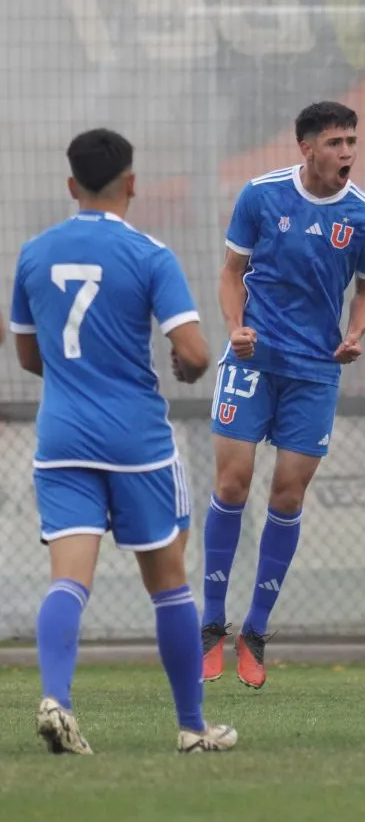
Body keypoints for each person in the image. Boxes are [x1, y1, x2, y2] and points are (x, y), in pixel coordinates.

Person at [9, 129, 238, 754]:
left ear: (70, 185)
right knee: (169, 584)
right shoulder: (149, 254)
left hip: (62, 440)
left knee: (67, 582)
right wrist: (187, 366)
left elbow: (30, 355)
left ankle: (57, 699)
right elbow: (192, 351)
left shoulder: (34, 253)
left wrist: (75, 373)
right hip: (136, 441)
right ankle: (193, 728)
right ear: (132, 183)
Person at [201, 101, 365, 689]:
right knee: (231, 483)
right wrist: (235, 327)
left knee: (287, 496)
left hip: (314, 371)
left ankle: (254, 631)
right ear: (306, 148)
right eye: (335, 143)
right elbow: (231, 273)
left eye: (352, 142)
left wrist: (355, 333)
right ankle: (211, 627)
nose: (347, 153)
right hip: (252, 361)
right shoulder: (260, 196)